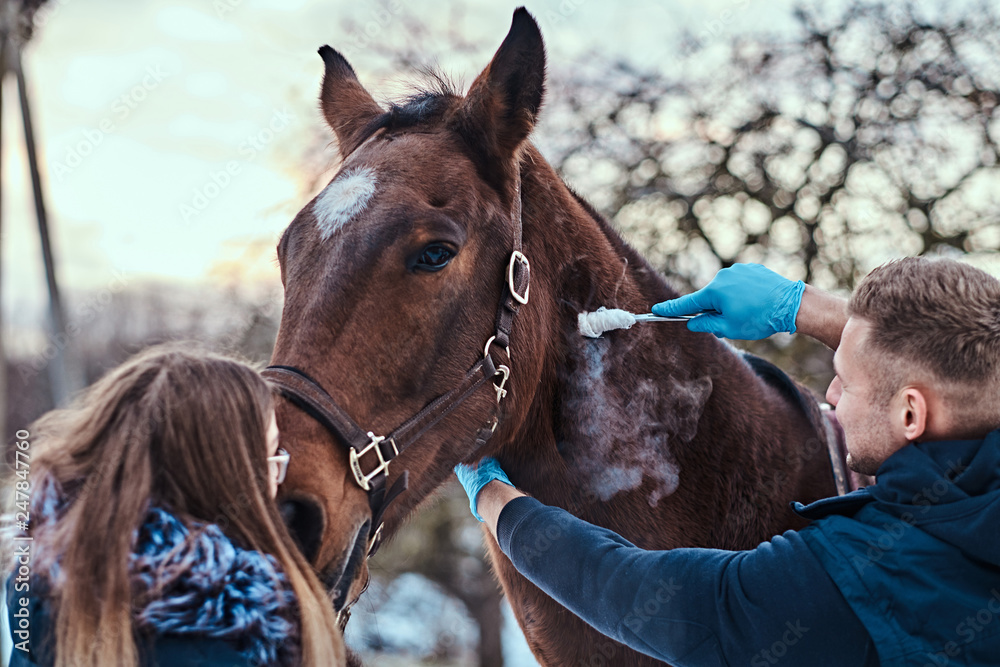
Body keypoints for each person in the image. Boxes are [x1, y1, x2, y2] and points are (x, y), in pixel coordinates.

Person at [456, 258, 1000, 667]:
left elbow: (633, 591)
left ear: (911, 411)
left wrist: (495, 500)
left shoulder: (854, 582)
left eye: (847, 380)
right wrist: (806, 309)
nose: (830, 395)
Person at [4, 345, 345, 667]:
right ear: (221, 477)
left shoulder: (37, 589)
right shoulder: (241, 631)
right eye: (271, 454)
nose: (279, 478)